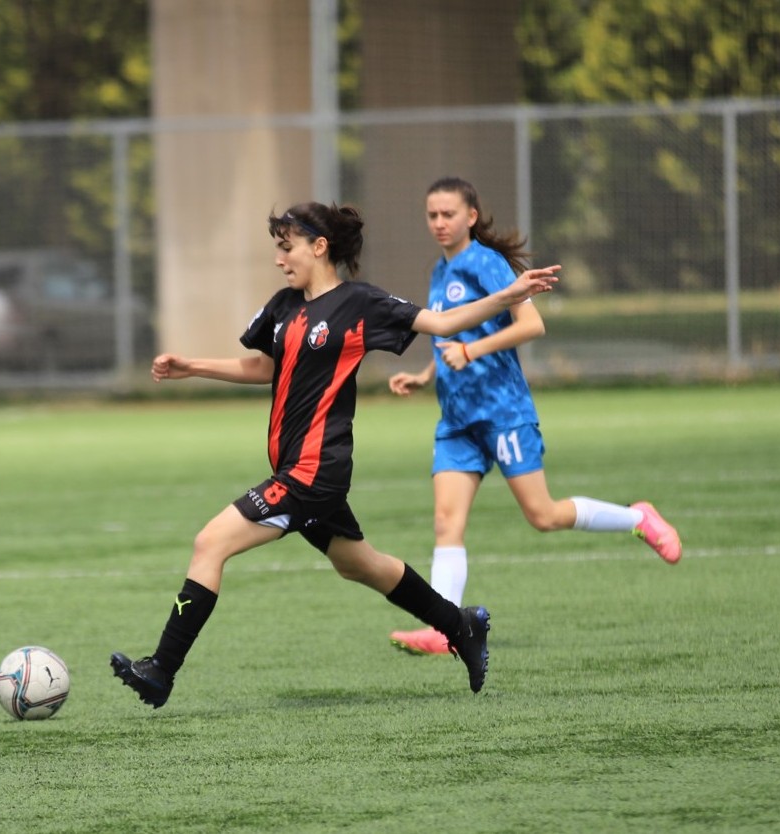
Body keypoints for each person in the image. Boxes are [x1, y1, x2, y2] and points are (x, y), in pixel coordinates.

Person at [110, 200, 560, 708]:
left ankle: (160, 671)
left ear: (319, 247)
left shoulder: (360, 304)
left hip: (314, 471)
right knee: (359, 565)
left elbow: (444, 323)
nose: (281, 259)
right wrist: (192, 366)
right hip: (293, 467)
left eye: (288, 247)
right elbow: (265, 369)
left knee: (210, 542)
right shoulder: (283, 306)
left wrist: (510, 294)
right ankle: (462, 625)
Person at [385, 176, 682, 657]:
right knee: (446, 522)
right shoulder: (440, 271)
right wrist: (426, 374)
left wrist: (473, 349)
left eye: (448, 214)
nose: (439, 223)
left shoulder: (486, 262)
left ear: (471, 216)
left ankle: (637, 518)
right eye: (432, 215)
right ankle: (446, 628)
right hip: (458, 419)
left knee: (542, 515)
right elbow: (452, 337)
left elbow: (531, 324)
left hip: (502, 411)